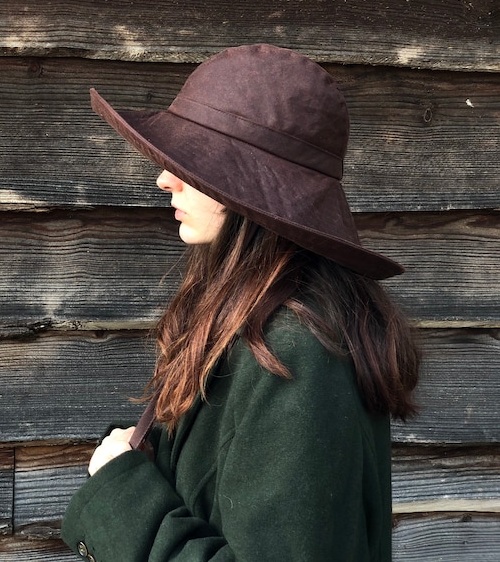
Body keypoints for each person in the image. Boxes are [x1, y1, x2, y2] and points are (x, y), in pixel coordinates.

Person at [61, 43, 419, 562]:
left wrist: (123, 494)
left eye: (195, 162)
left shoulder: (297, 350)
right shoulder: (260, 322)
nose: (165, 177)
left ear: (253, 191)